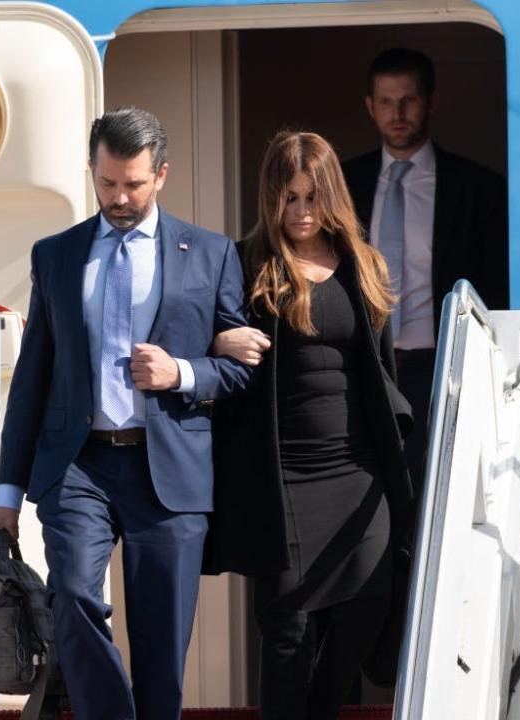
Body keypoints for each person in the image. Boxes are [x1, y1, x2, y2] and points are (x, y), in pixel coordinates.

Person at [0, 106, 252, 720]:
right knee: (73, 594)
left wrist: (181, 371)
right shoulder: (56, 254)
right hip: (79, 466)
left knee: (162, 641)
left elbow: (242, 365)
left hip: (171, 468)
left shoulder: (210, 254)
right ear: (92, 172)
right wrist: (7, 491)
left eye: (132, 183)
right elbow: (32, 380)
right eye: (106, 183)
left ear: (161, 175)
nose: (119, 197)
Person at [205, 131, 412, 720]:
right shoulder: (246, 263)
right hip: (282, 478)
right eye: (289, 199)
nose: (301, 213)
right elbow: (205, 340)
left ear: (332, 199)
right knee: (288, 635)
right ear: (272, 199)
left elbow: (383, 371)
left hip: (358, 475)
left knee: (366, 612)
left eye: (312, 198)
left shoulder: (364, 266)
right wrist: (217, 340)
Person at [342, 47, 509, 494]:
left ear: (432, 101)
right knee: (367, 489)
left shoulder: (478, 188)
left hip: (442, 365)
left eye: (409, 100)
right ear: (370, 106)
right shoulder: (341, 184)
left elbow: (495, 287)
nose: (396, 113)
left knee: (438, 490)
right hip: (362, 365)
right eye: (385, 101)